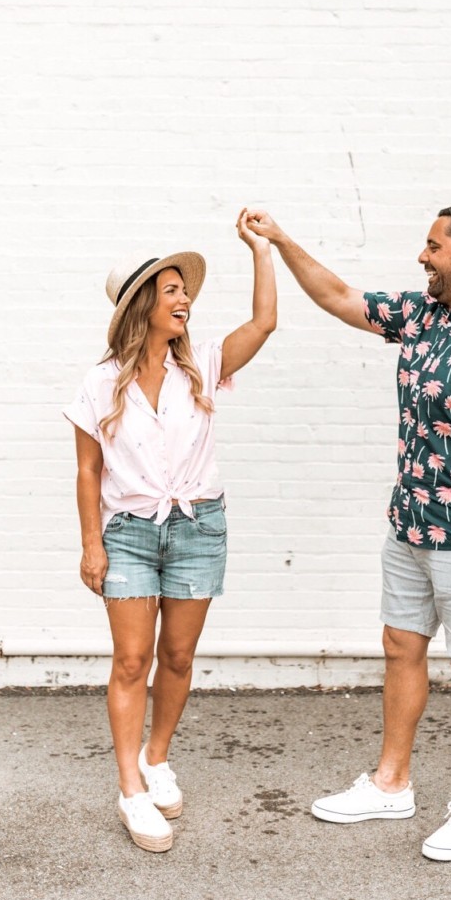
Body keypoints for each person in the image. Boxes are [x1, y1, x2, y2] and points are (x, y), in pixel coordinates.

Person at [245, 205, 451, 862]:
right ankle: (392, 782)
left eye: (432, 245)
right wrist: (281, 238)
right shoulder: (422, 315)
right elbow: (337, 295)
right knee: (400, 646)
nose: (421, 255)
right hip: (409, 522)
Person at [64, 210, 276, 853]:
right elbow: (86, 470)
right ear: (142, 307)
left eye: (186, 290)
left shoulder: (203, 367)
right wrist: (92, 544)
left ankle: (156, 758)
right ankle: (130, 789)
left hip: (197, 525)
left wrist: (261, 250)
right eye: (172, 290)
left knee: (177, 657)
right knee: (132, 661)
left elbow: (264, 322)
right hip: (128, 529)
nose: (185, 299)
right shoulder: (100, 383)